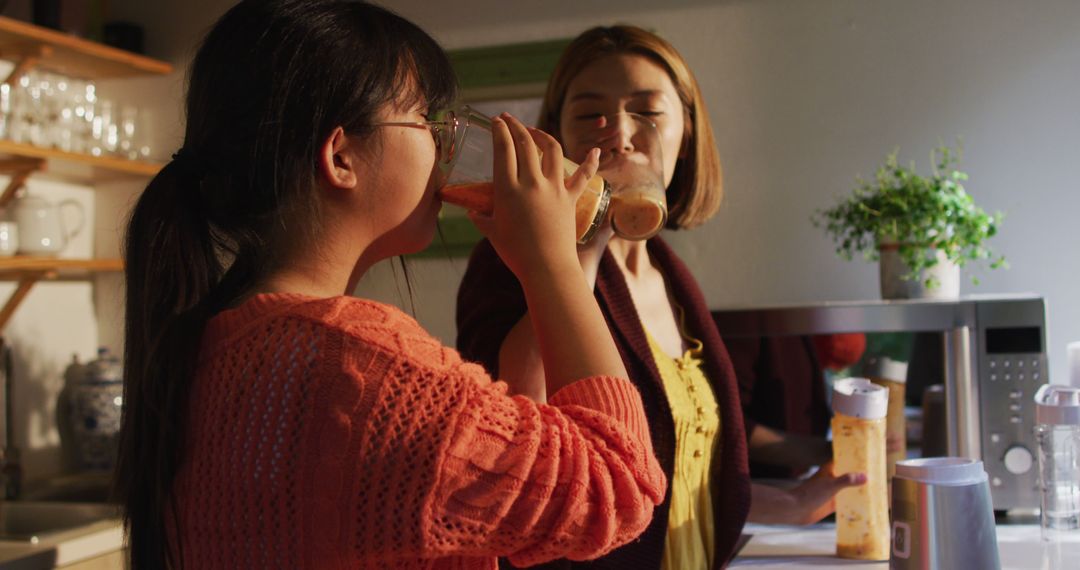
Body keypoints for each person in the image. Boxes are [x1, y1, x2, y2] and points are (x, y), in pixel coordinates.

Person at [113, 2, 667, 568]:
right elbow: (620, 488)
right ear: (341, 156)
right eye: (427, 120)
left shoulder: (205, 345)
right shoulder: (372, 374)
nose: (447, 147)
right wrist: (553, 263)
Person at [457, 25, 864, 570]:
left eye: (647, 112)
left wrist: (790, 504)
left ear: (685, 134)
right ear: (556, 137)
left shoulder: (672, 278)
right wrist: (577, 244)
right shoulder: (514, 260)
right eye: (590, 115)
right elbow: (515, 435)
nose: (619, 133)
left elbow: (662, 482)